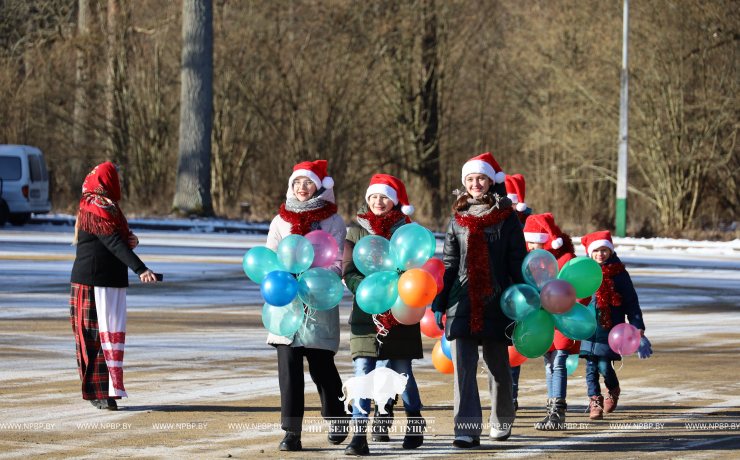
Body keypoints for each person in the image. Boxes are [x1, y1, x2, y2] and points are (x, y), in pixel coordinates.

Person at [431, 153, 528, 448]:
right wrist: (439, 301)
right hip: (461, 302)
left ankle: (501, 420)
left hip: (497, 300)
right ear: (464, 183)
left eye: (481, 178)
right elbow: (449, 264)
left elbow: (517, 261)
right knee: (463, 370)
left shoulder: (508, 217)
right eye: (470, 179)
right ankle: (467, 428)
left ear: (490, 182)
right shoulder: (456, 218)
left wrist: (523, 297)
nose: (475, 184)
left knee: (498, 367)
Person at [265, 160, 348, 451]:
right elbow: (271, 257)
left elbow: (338, 261)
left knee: (321, 367)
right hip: (286, 304)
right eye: (298, 182)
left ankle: (337, 416)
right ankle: (292, 432)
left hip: (318, 300)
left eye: (308, 182)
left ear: (320, 186)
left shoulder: (333, 222)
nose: (302, 188)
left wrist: (321, 280)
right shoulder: (281, 220)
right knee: (288, 369)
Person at [341, 174, 425, 455]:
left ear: (395, 201)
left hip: (402, 312)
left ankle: (415, 418)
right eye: (374, 197)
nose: (379, 201)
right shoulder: (354, 233)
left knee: (402, 372)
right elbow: (349, 271)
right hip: (365, 315)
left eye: (385, 197)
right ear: (367, 199)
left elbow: (419, 271)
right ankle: (359, 434)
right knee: (363, 371)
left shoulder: (408, 232)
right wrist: (367, 291)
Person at [70, 162, 157, 411]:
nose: (120, 183)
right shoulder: (94, 205)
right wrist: (141, 268)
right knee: (93, 340)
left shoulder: (110, 207)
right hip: (90, 283)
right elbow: (112, 243)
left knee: (108, 339)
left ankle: (107, 390)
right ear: (105, 180)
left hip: (110, 284)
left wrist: (133, 240)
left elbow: (119, 240)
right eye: (116, 178)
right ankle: (97, 393)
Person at [579, 231, 653, 420]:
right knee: (590, 367)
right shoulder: (583, 272)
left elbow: (631, 301)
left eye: (604, 250)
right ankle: (594, 400)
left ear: (611, 251)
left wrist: (637, 325)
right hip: (588, 328)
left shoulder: (619, 274)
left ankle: (613, 388)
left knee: (604, 366)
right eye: (596, 250)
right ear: (589, 253)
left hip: (610, 329)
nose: (600, 254)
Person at [522, 213, 582, 430]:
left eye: (533, 240)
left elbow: (578, 290)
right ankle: (552, 411)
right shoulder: (530, 261)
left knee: (558, 362)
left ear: (545, 239)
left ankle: (558, 411)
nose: (529, 244)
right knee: (549, 363)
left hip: (563, 319)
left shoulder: (564, 260)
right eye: (527, 240)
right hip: (542, 320)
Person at [504, 173, 531, 411]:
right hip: (496, 289)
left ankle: (511, 396)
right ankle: (504, 394)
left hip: (521, 292)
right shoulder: (496, 218)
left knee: (514, 344)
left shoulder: (531, 225)